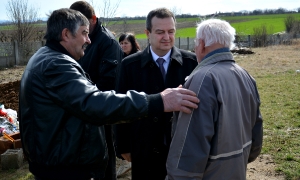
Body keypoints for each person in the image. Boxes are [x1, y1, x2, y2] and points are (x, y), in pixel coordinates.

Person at [19, 8, 199, 180]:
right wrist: (158, 101)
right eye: (84, 33)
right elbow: (94, 103)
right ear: (66, 34)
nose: (88, 40)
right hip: (65, 169)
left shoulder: (46, 58)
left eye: (171, 31)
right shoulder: (55, 65)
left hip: (61, 163)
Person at [166, 18, 263, 179]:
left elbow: (189, 147)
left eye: (196, 43)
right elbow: (256, 132)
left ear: (202, 44)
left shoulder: (202, 80)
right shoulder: (245, 75)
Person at [115, 8, 198, 180]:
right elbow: (121, 106)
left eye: (171, 31)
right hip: (143, 147)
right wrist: (123, 145)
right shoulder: (129, 65)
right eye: (160, 32)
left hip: (181, 148)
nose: (167, 37)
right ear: (147, 33)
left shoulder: (191, 63)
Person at [69, 2, 123, 179]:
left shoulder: (107, 43)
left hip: (101, 109)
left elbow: (109, 82)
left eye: (83, 26)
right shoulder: (86, 39)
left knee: (104, 156)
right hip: (85, 107)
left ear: (93, 19)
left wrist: (84, 96)